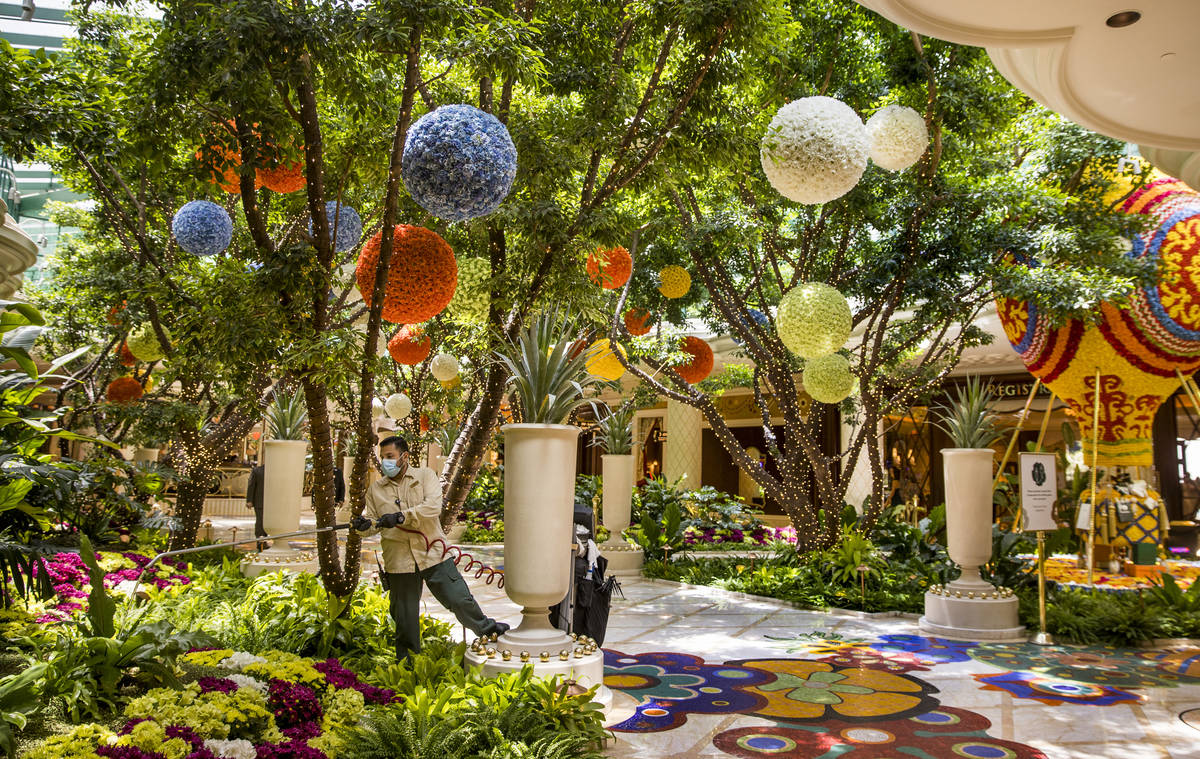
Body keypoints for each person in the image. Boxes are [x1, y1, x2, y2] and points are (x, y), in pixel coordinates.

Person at [352, 435, 508, 658]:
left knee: (459, 599)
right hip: (399, 561)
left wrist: (400, 517)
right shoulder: (375, 490)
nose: (385, 462)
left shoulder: (426, 476)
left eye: (390, 457)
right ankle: (407, 665)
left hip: (433, 553)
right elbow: (374, 525)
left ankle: (489, 632)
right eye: (383, 457)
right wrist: (361, 526)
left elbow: (432, 508)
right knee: (404, 618)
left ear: (404, 457)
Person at [244, 463, 268, 551]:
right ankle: (260, 541)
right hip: (260, 501)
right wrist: (249, 500)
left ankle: (264, 540)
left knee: (268, 521)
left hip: (272, 503)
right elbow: (251, 485)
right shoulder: (257, 470)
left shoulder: (276, 470)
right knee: (260, 522)